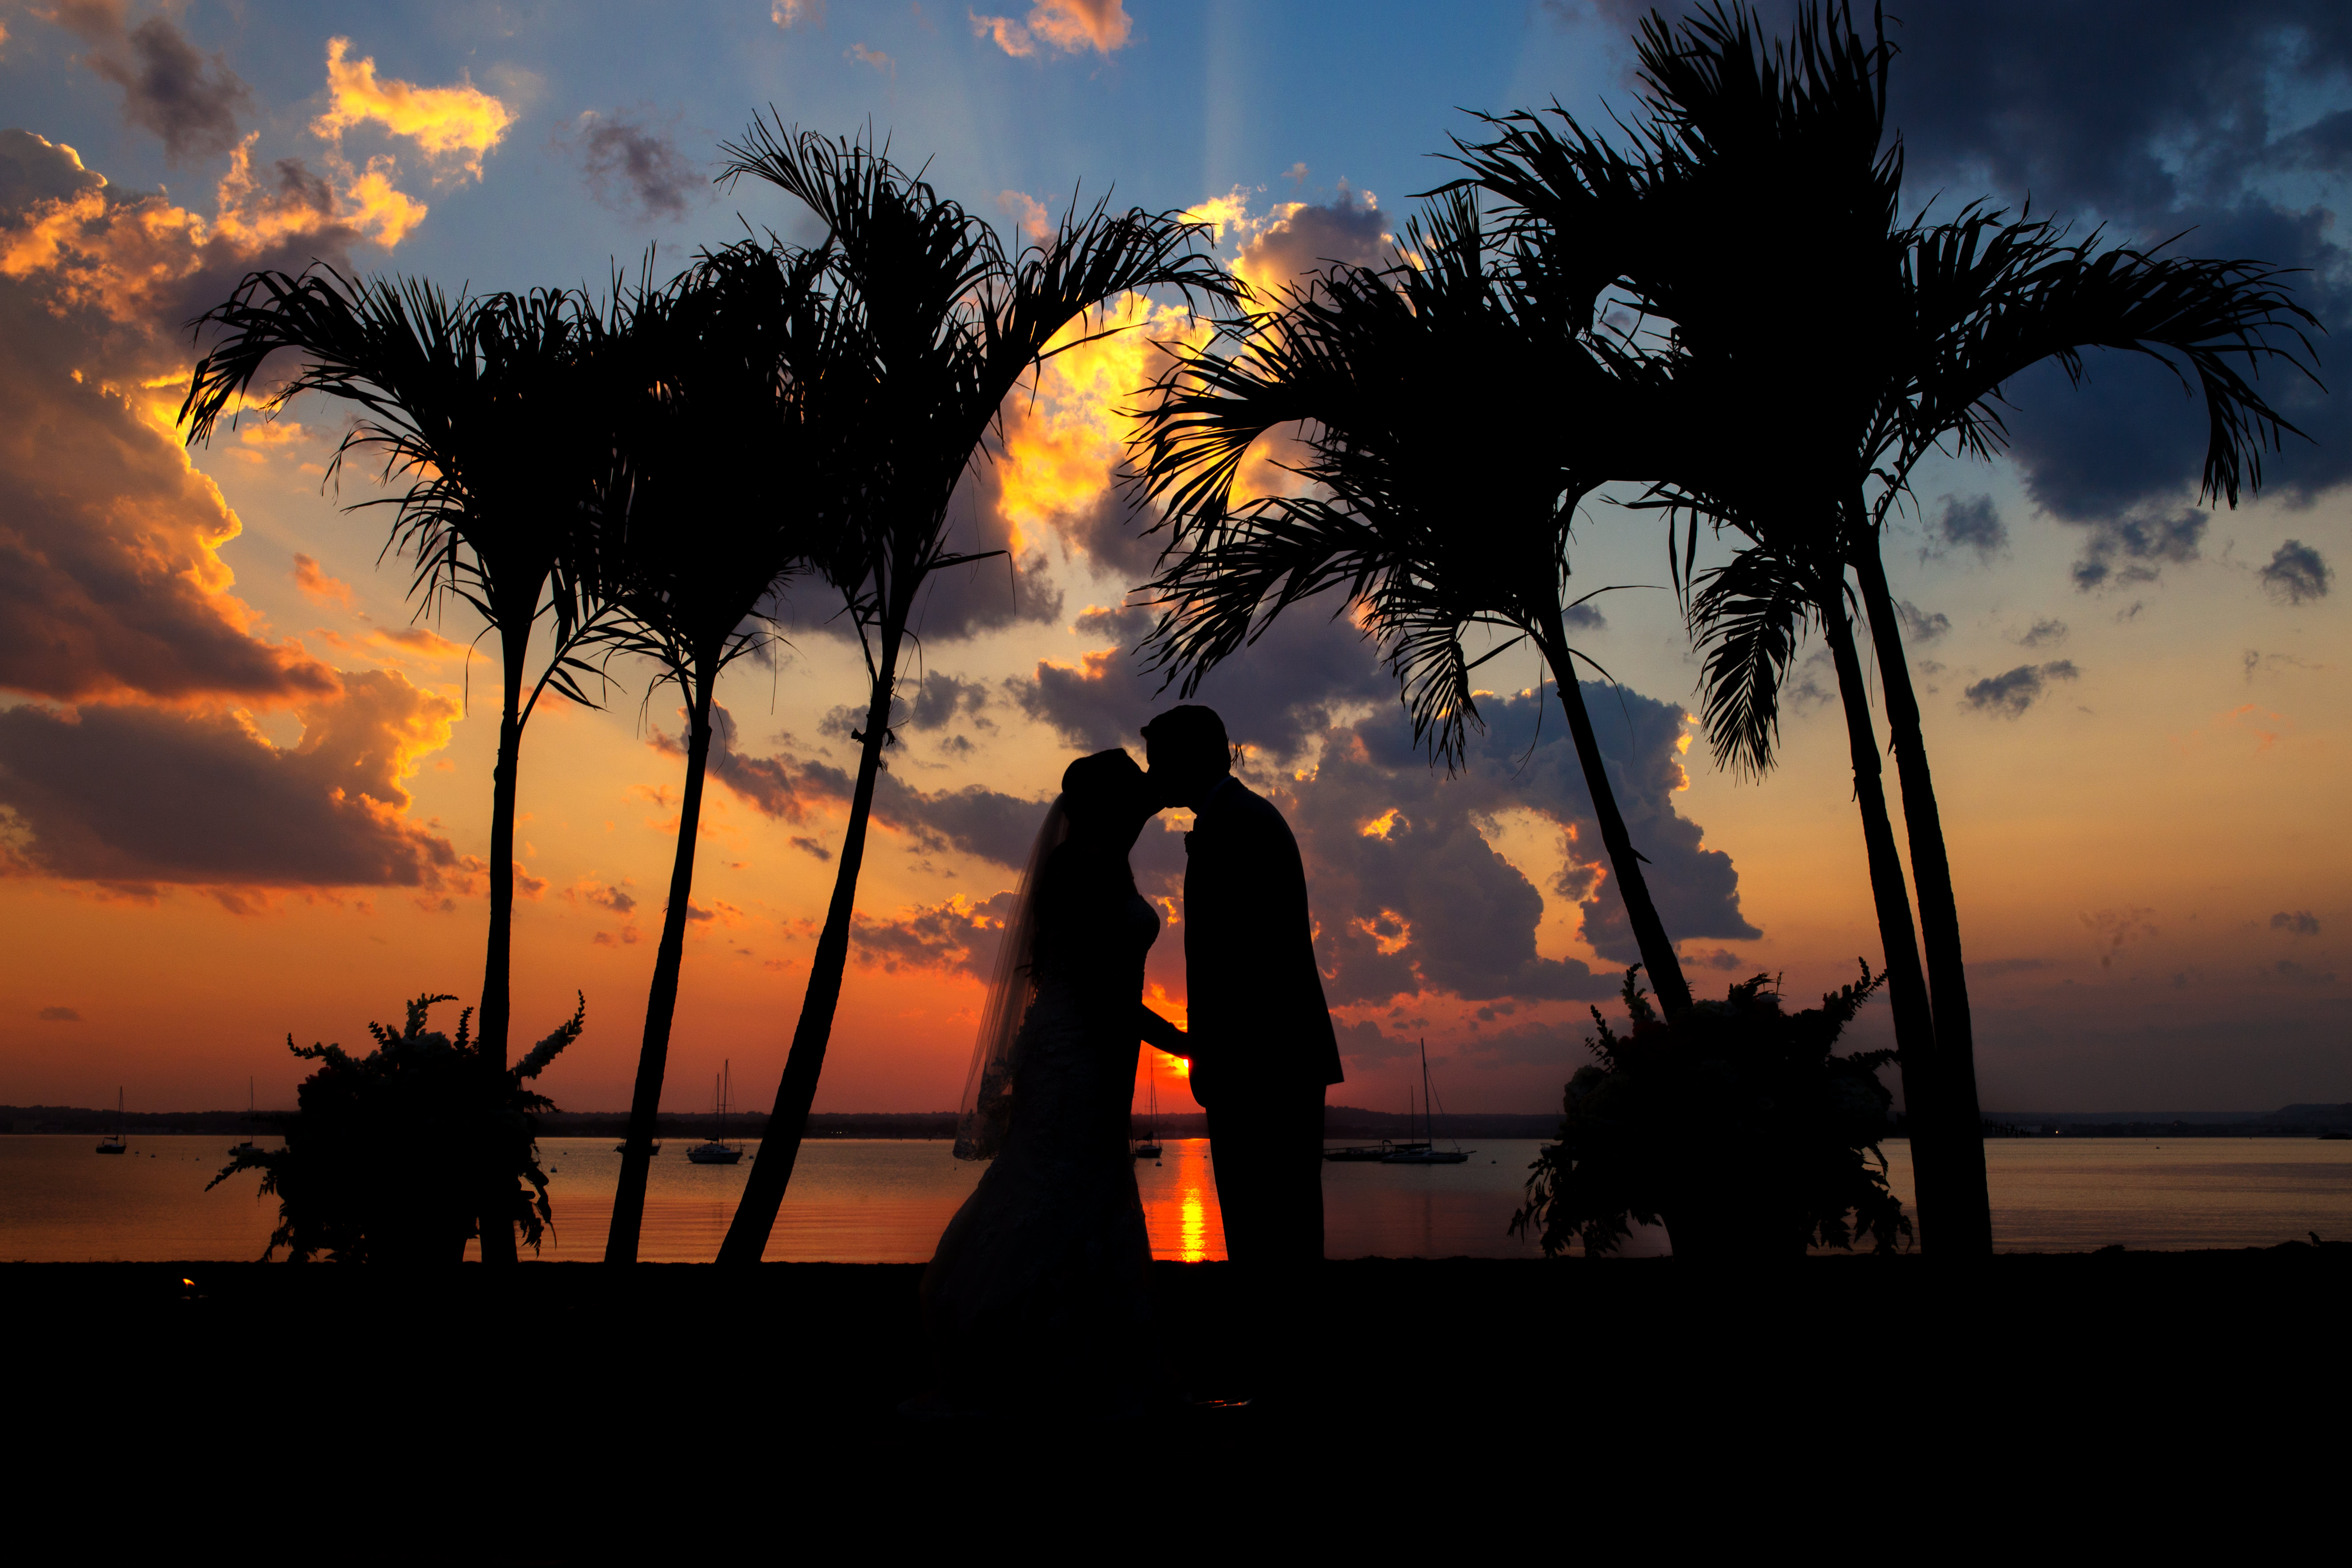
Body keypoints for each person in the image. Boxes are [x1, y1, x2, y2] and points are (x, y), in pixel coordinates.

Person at [915, 749, 1189, 1418]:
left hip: (1094, 1042)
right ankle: (1018, 1356)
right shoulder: (1086, 865)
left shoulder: (1100, 854)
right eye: (1131, 794)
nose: (1143, 801)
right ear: (1106, 804)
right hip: (1078, 1045)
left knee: (1081, 1183)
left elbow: (1148, 801)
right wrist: (1179, 1038)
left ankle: (1082, 1361)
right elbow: (1097, 983)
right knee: (1056, 1180)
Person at [1141, 704, 1343, 1268]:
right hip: (1268, 1059)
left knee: (1270, 1226)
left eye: (1160, 764)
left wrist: (1208, 1051)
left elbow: (1240, 963)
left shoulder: (1235, 825)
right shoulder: (1240, 817)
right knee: (1276, 1225)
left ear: (1191, 759)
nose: (1154, 778)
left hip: (1262, 1063)